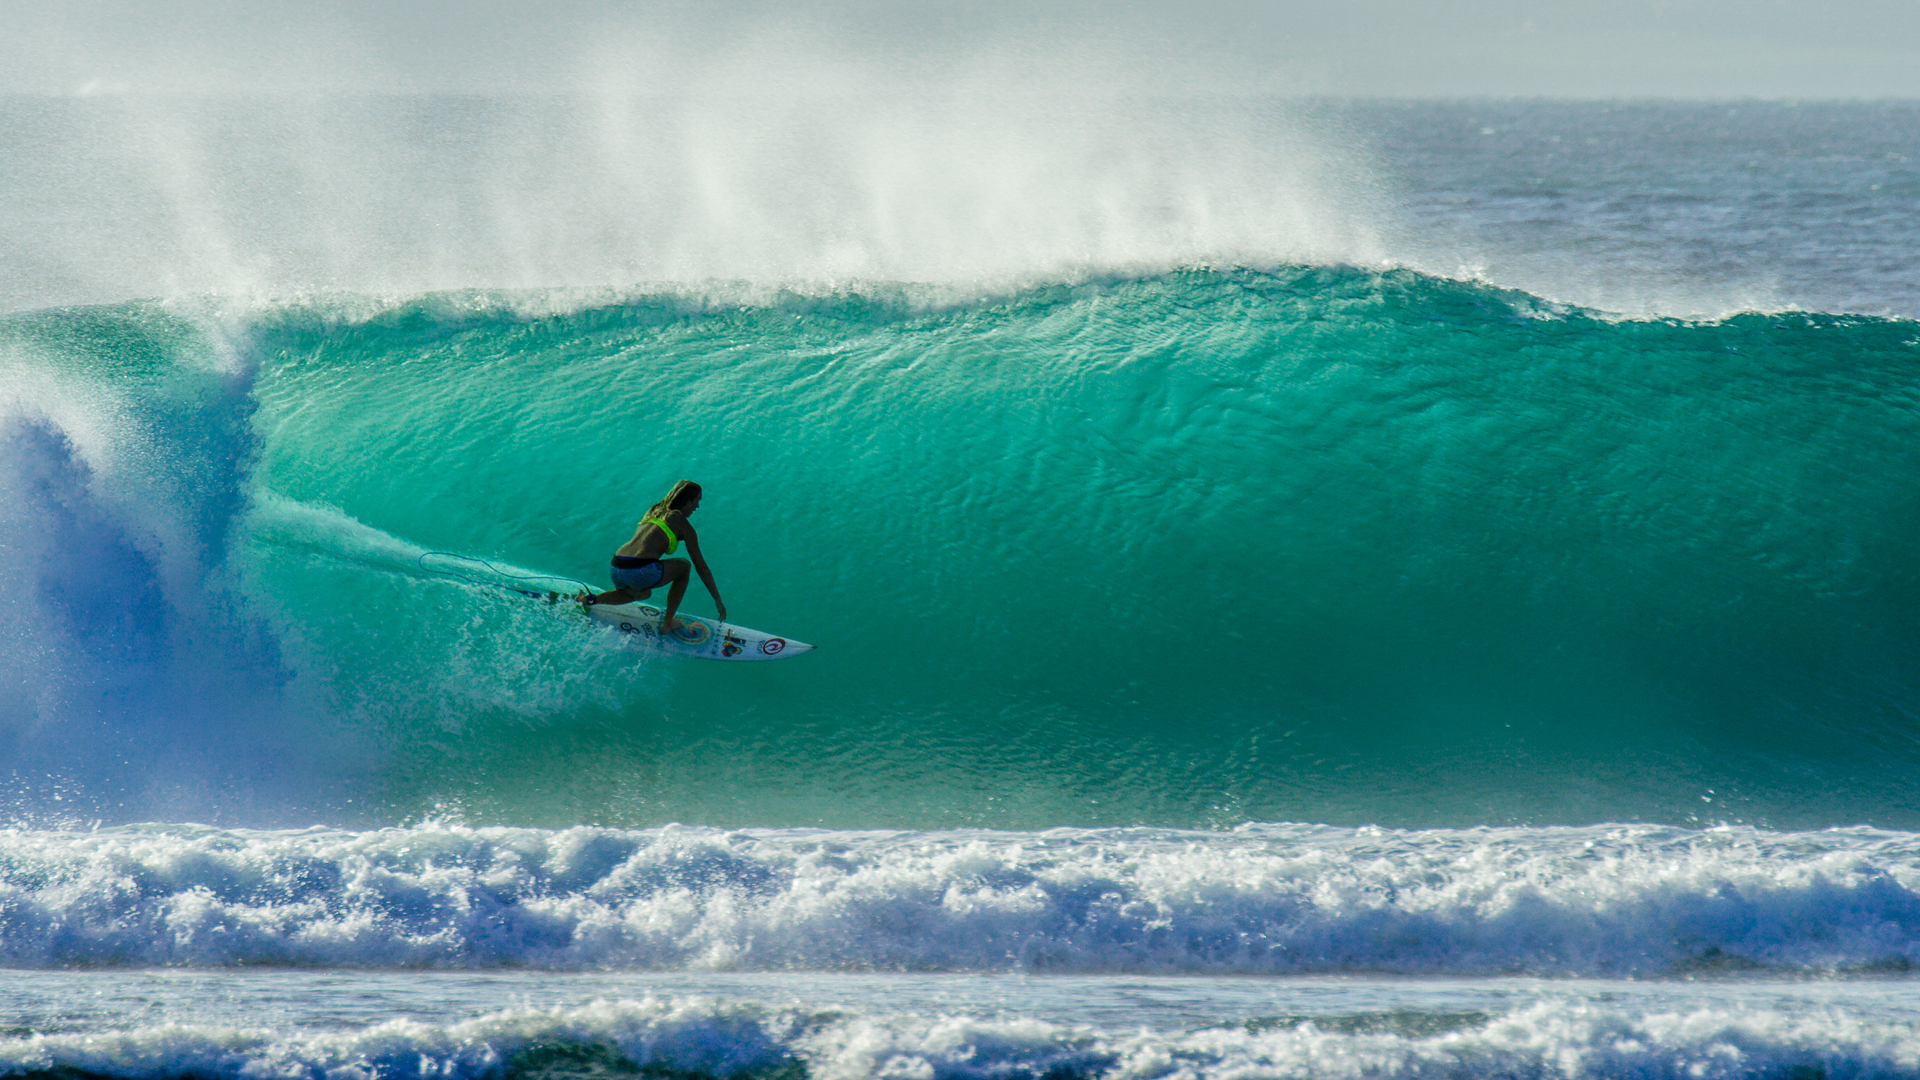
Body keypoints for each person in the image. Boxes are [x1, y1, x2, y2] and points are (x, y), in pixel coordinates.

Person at [579, 480, 725, 635]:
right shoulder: (679, 520)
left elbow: (656, 536)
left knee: (643, 594)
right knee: (684, 566)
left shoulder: (655, 510)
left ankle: (589, 600)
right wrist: (717, 599)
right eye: (696, 501)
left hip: (617, 566)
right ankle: (667, 623)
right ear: (687, 501)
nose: (697, 507)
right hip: (639, 571)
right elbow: (701, 566)